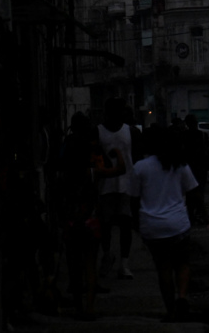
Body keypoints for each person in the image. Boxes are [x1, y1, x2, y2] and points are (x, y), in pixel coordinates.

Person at [130, 126, 199, 322]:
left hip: (153, 226)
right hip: (178, 224)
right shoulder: (180, 165)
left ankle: (170, 310)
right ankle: (182, 296)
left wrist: (137, 223)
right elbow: (193, 191)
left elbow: (134, 199)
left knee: (164, 269)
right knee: (183, 263)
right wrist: (196, 215)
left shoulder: (140, 167)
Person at [61, 112, 125, 320]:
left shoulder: (66, 172)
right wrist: (117, 153)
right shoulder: (93, 168)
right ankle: (89, 307)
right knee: (90, 263)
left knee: (74, 264)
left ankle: (78, 306)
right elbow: (119, 169)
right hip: (91, 217)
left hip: (71, 216)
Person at [96, 99, 135, 281]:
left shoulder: (130, 131)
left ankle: (123, 264)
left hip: (126, 184)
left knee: (125, 224)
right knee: (105, 224)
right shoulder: (98, 131)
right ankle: (108, 255)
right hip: (105, 185)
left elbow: (136, 157)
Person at [182, 115, 209, 225]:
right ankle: (197, 214)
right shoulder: (201, 135)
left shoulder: (184, 136)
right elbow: (207, 151)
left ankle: (193, 214)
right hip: (199, 166)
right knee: (198, 191)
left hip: (192, 167)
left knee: (191, 193)